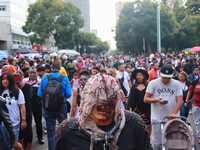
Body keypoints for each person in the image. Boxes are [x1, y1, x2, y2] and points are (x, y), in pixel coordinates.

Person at [54, 74, 150, 150]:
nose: (104, 102)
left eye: (110, 96)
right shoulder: (67, 131)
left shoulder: (134, 124)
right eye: (96, 96)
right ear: (86, 99)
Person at [144, 65, 183, 150]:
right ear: (160, 75)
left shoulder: (176, 84)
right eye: (164, 77)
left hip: (170, 118)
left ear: (172, 76)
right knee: (157, 144)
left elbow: (180, 100)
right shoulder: (153, 83)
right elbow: (146, 99)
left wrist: (174, 113)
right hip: (156, 117)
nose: (166, 80)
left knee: (170, 143)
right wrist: (157, 100)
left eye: (168, 78)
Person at [37, 60, 71, 150]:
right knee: (63, 130)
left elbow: (39, 93)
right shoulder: (64, 78)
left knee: (50, 132)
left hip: (48, 108)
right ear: (60, 68)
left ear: (51, 68)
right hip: (61, 107)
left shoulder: (44, 77)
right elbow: (69, 94)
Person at [0, 72, 27, 150]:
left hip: (14, 123)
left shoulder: (17, 92)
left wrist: (24, 120)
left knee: (14, 144)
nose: (5, 81)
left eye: (7, 79)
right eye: (3, 79)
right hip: (1, 124)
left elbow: (22, 106)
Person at [22, 67, 44, 144]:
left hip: (37, 105)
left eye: (34, 72)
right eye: (30, 72)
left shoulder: (40, 82)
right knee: (27, 123)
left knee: (38, 122)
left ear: (37, 73)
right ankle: (26, 140)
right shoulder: (24, 81)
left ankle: (40, 137)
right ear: (28, 73)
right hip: (27, 105)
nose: (32, 74)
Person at [127, 69, 151, 137]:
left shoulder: (148, 86)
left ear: (144, 76)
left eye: (141, 75)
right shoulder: (134, 87)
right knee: (137, 124)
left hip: (147, 108)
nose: (139, 76)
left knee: (148, 125)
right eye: (138, 75)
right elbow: (130, 98)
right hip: (137, 108)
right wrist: (129, 109)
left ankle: (148, 139)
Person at [14, 74, 33, 150]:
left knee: (28, 130)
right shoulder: (12, 89)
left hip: (27, 111)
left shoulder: (28, 87)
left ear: (21, 80)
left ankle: (29, 147)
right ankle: (22, 147)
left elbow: (27, 98)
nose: (16, 85)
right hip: (17, 112)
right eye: (14, 83)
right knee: (19, 131)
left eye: (17, 83)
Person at [185, 76, 200, 143]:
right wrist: (186, 101)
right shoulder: (194, 83)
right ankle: (199, 136)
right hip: (197, 105)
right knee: (198, 121)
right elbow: (189, 92)